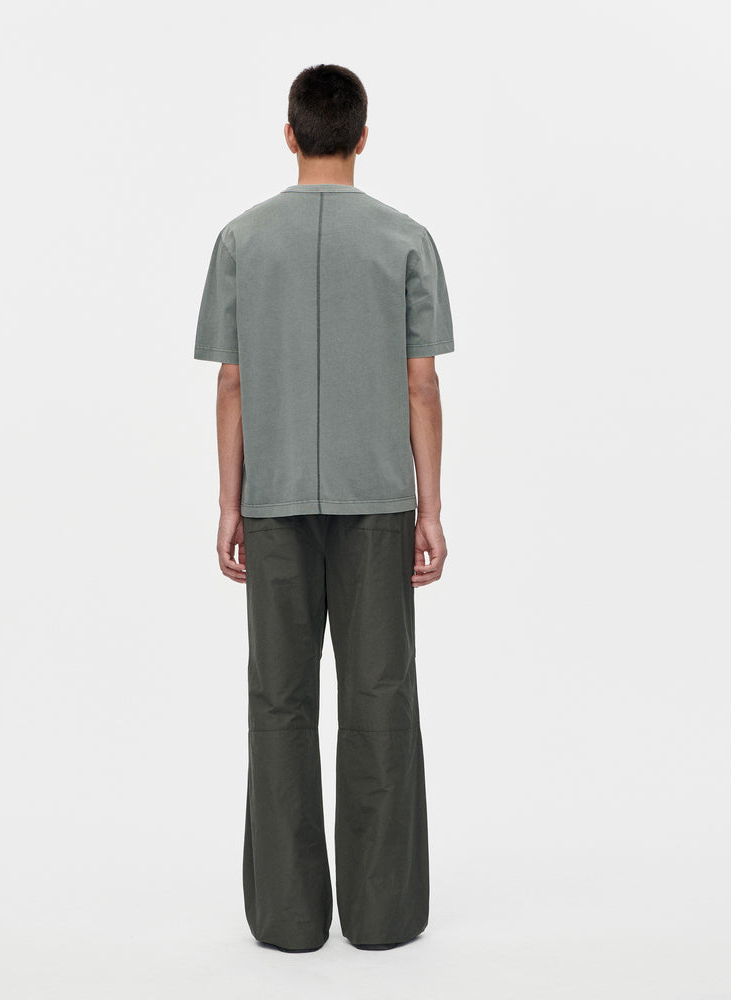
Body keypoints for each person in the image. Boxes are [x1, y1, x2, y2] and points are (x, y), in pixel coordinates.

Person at [193, 63, 455, 953]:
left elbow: (232, 383)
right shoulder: (406, 240)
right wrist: (431, 507)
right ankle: (382, 917)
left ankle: (288, 918)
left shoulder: (240, 240)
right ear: (363, 137)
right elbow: (421, 385)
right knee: (381, 697)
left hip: (271, 502)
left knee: (278, 700)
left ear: (291, 135)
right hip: (378, 500)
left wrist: (228, 502)